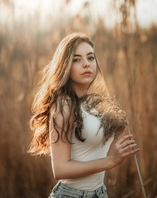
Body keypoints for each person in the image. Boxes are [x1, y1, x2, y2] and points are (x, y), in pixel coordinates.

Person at [28, 32, 140, 198]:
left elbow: (93, 150)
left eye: (90, 58)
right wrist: (111, 161)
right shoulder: (63, 105)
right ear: (65, 66)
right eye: (77, 59)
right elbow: (60, 169)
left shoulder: (91, 105)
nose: (86, 64)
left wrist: (115, 127)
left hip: (99, 193)